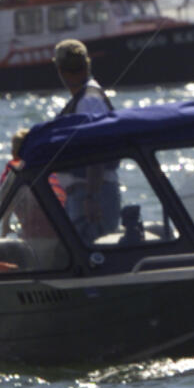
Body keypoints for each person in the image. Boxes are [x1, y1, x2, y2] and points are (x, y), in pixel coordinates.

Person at [53, 39, 119, 240]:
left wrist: (91, 197)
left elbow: (96, 148)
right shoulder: (85, 97)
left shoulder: (89, 100)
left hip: (89, 196)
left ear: (60, 70)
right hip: (84, 194)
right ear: (88, 64)